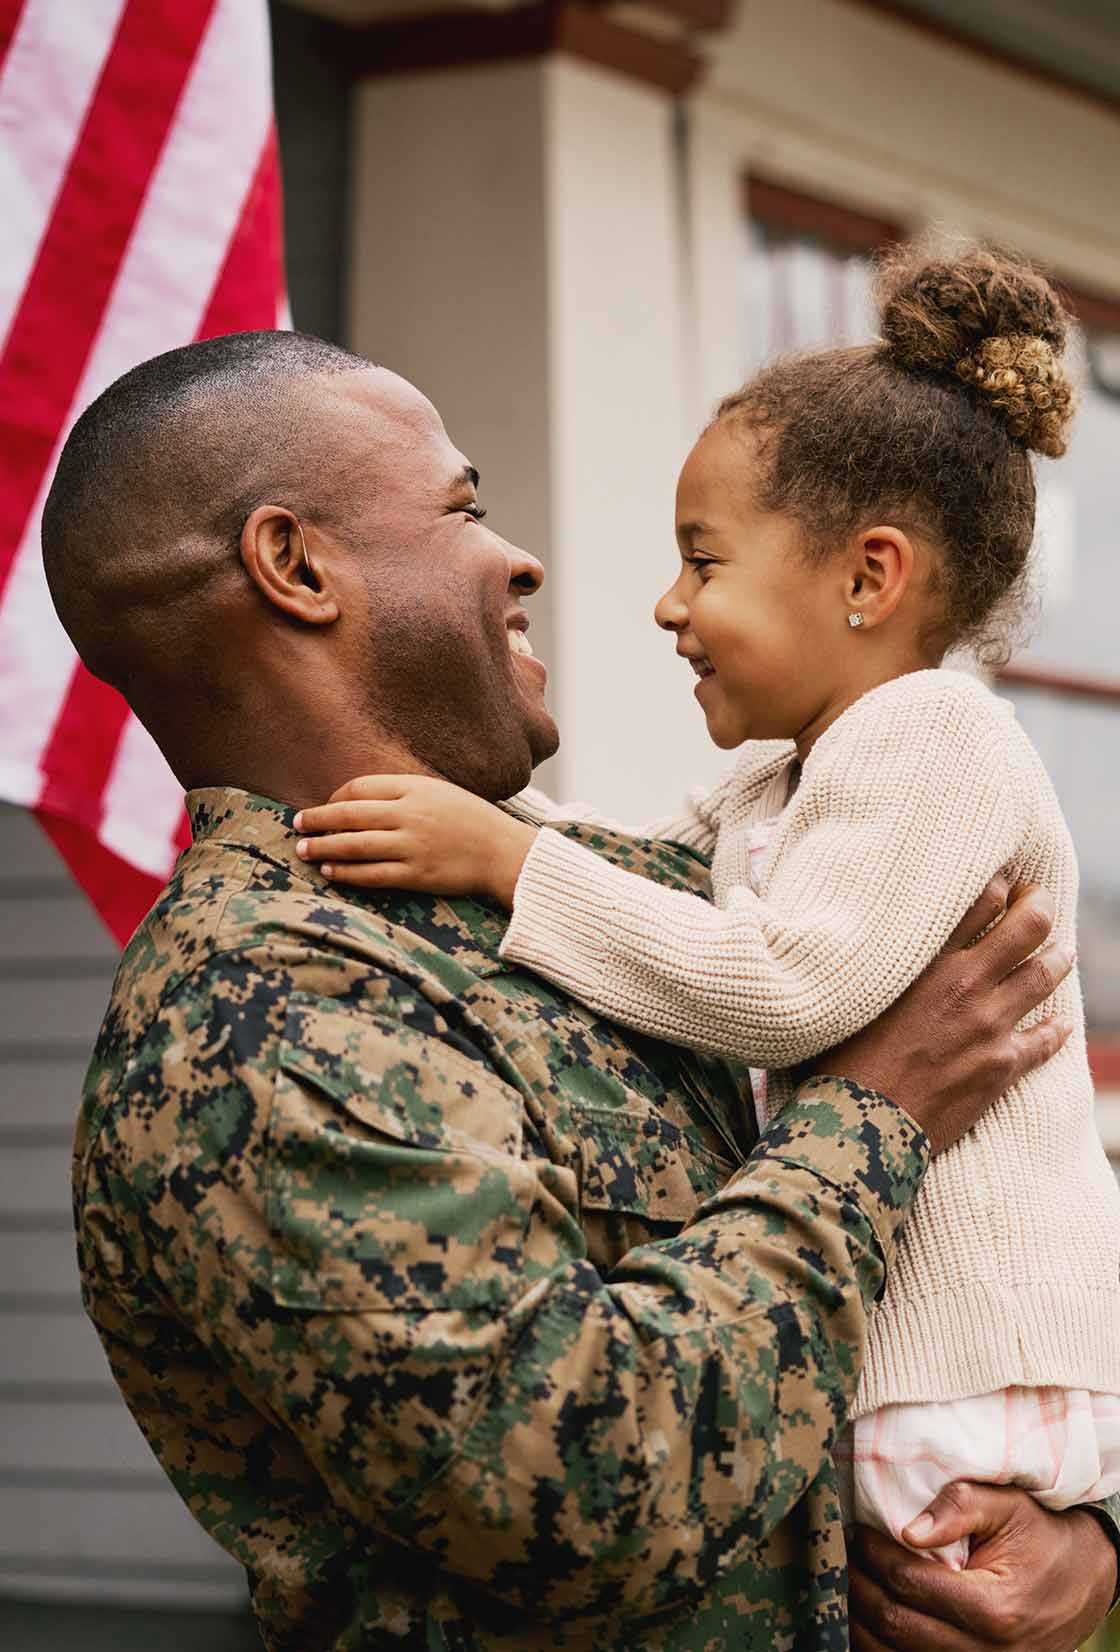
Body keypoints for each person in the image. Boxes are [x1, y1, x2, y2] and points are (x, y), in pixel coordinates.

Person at [41, 330, 1119, 1651]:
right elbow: (594, 1493)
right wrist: (877, 1108)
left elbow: (1001, 1217)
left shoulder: (585, 877)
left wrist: (1078, 1539)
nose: (523, 558)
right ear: (297, 565)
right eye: (463, 508)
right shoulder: (255, 1016)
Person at [292, 242, 1120, 1573]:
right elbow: (638, 868)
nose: (671, 608)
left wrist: (506, 867)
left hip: (969, 1381)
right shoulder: (793, 770)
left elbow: (784, 988)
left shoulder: (931, 734)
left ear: (869, 579)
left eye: (705, 563)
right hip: (923, 1374)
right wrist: (491, 813)